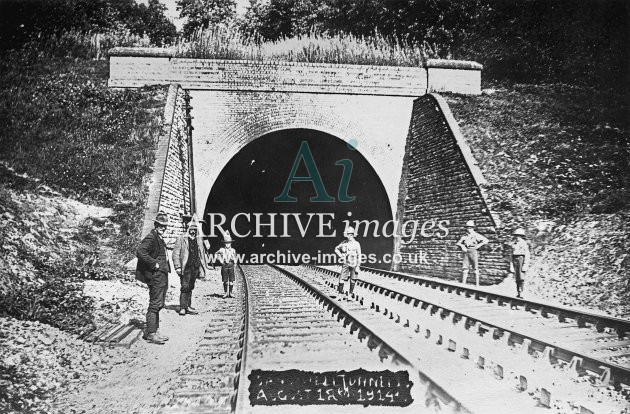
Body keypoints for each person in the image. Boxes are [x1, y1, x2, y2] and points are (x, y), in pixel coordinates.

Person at [136, 212, 171, 345]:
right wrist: (153, 263)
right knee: (155, 304)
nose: (163, 228)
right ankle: (151, 334)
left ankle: (155, 331)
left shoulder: (159, 237)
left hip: (161, 275)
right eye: (161, 225)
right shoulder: (151, 237)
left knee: (160, 303)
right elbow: (140, 252)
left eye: (165, 226)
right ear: (156, 225)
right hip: (155, 276)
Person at [172, 219, 208, 315]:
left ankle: (188, 305)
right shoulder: (181, 239)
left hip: (195, 266)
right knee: (185, 286)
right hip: (186, 267)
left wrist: (203, 267)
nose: (192, 231)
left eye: (194, 229)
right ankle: (183, 307)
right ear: (187, 229)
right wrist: (177, 267)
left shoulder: (198, 239)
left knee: (191, 286)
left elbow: (202, 253)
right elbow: (175, 253)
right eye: (191, 229)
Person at [456, 220, 489, 286]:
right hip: (466, 252)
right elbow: (458, 243)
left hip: (473, 251)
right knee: (465, 268)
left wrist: (478, 245)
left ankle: (477, 285)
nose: (469, 229)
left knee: (475, 268)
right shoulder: (464, 236)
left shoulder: (476, 235)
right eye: (468, 227)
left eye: (470, 227)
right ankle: (463, 285)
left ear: (473, 228)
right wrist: (462, 246)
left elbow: (486, 240)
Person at [334, 226, 362, 298]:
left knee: (353, 279)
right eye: (348, 234)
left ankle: (350, 294)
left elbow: (359, 255)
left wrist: (358, 266)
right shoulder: (344, 243)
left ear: (352, 235)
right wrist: (341, 255)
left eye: (350, 234)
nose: (348, 236)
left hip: (354, 262)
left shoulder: (357, 244)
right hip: (346, 262)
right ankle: (340, 294)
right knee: (342, 278)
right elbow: (336, 249)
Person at [508, 228, 531, 298]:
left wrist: (525, 265)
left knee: (521, 277)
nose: (517, 237)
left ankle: (522, 292)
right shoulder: (514, 244)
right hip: (515, 260)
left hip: (521, 259)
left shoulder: (524, 243)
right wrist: (511, 265)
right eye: (516, 235)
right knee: (517, 277)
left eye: (519, 236)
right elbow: (511, 255)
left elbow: (527, 255)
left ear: (522, 236)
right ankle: (518, 292)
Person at [216, 232, 237, 298]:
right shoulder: (221, 250)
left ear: (231, 243)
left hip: (231, 264)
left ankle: (230, 293)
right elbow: (216, 254)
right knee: (225, 280)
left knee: (231, 281)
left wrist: (235, 262)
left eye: (229, 242)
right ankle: (225, 293)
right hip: (224, 265)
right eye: (226, 243)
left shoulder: (233, 250)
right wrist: (220, 260)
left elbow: (235, 257)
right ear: (224, 243)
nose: (227, 244)